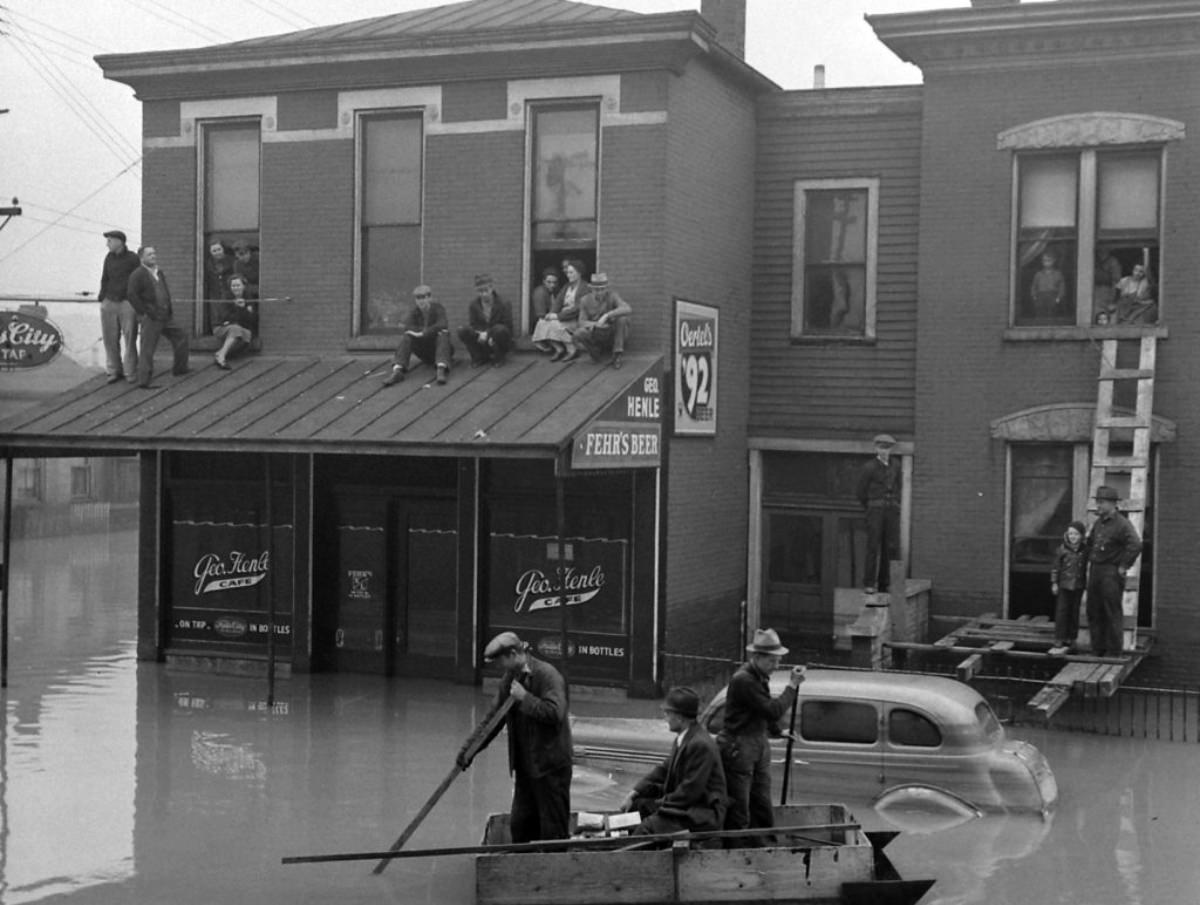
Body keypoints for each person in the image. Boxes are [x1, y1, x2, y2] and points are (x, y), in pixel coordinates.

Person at [460, 631, 572, 844]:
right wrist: (468, 751)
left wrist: (525, 698)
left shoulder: (547, 675)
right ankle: (521, 870)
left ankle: (552, 871)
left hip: (550, 768)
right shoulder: (510, 680)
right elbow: (492, 720)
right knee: (521, 827)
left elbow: (555, 713)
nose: (499, 667)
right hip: (525, 769)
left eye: (500, 661)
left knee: (553, 832)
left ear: (512, 654)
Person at [718, 628, 805, 843]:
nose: (776, 667)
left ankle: (765, 847)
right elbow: (771, 710)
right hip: (739, 747)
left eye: (778, 661)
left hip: (757, 743)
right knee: (740, 806)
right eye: (772, 661)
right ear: (757, 657)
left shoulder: (759, 676)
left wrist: (776, 731)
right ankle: (736, 853)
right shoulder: (744, 680)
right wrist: (792, 686)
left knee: (762, 802)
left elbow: (761, 711)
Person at [618, 686, 726, 844]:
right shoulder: (684, 738)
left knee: (650, 827)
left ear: (680, 718)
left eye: (668, 713)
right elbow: (662, 770)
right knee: (638, 806)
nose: (665, 718)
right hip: (687, 806)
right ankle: (622, 844)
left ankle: (627, 861)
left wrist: (659, 804)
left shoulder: (700, 744)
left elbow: (690, 791)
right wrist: (635, 792)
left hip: (701, 813)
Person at [1084, 487, 1142, 657]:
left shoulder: (1122, 524)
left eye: (1101, 502)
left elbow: (1135, 545)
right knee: (1094, 610)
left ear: (1111, 504)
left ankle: (1114, 652)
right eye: (1098, 502)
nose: (1098, 506)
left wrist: (1123, 566)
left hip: (1110, 572)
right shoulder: (1099, 523)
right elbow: (1091, 543)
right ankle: (1097, 649)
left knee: (1111, 611)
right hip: (1096, 570)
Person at [127, 246, 190, 388]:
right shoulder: (137, 274)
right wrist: (143, 312)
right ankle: (144, 381)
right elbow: (131, 294)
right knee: (147, 348)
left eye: (154, 253)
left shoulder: (159, 272)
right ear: (141, 258)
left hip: (165, 315)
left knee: (181, 336)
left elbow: (164, 291)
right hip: (151, 317)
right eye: (149, 254)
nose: (153, 256)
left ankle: (180, 369)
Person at [856, 433, 902, 594]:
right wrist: (870, 507)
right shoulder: (869, 467)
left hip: (891, 510)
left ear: (891, 450)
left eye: (887, 448)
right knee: (873, 546)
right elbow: (861, 492)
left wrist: (895, 504)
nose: (884, 451)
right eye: (881, 448)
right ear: (876, 448)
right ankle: (869, 583)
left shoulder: (896, 465)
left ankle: (885, 583)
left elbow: (898, 486)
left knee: (890, 547)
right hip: (875, 510)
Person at [383, 284, 452, 386]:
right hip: (423, 349)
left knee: (443, 334)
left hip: (439, 348)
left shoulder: (438, 309)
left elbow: (443, 324)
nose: (421, 301)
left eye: (423, 297)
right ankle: (398, 370)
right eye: (418, 298)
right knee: (407, 337)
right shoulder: (414, 312)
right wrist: (419, 333)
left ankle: (441, 369)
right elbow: (408, 327)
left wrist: (424, 333)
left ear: (429, 298)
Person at [97, 229, 141, 385]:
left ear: (119, 242)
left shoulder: (133, 259)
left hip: (126, 302)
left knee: (130, 338)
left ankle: (130, 370)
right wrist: (102, 297)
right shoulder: (108, 258)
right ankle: (113, 370)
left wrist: (134, 299)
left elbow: (138, 280)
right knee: (110, 338)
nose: (107, 244)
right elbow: (105, 278)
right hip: (110, 301)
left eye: (109, 241)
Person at [572, 272, 632, 369]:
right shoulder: (585, 300)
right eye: (596, 290)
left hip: (611, 332)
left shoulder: (613, 296)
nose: (600, 292)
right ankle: (595, 353)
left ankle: (617, 353)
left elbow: (627, 308)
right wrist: (596, 324)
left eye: (602, 289)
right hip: (596, 332)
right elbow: (581, 322)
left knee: (622, 318)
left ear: (606, 289)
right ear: (591, 289)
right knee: (579, 333)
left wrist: (607, 315)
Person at [532, 258, 584, 361]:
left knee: (554, 324)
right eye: (568, 272)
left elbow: (578, 308)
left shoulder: (584, 287)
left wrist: (557, 316)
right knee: (543, 323)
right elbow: (558, 302)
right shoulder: (566, 286)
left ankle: (572, 349)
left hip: (575, 319)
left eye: (571, 272)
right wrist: (551, 314)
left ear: (579, 273)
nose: (568, 275)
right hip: (563, 318)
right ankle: (559, 348)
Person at [456, 273, 513, 367]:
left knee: (500, 330)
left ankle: (499, 357)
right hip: (481, 336)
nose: (483, 294)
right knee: (462, 330)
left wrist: (489, 334)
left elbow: (508, 325)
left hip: (497, 336)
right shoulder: (474, 305)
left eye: (486, 290)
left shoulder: (504, 303)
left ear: (491, 288)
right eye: (480, 291)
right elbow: (473, 324)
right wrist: (480, 334)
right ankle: (478, 357)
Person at [1050, 520, 1088, 651]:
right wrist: (1054, 583)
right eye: (1071, 534)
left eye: (1076, 534)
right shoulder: (1062, 550)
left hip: (1078, 586)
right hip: (1064, 585)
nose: (1073, 537)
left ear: (1082, 536)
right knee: (1062, 612)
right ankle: (1059, 638)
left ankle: (1071, 638)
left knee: (1074, 612)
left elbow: (1087, 569)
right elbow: (1056, 568)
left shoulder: (1085, 551)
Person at [212, 273, 259, 370]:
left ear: (243, 286)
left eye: (238, 285)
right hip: (220, 327)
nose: (235, 288)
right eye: (233, 286)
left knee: (247, 335)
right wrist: (238, 309)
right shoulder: (226, 298)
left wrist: (243, 309)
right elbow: (225, 317)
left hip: (240, 328)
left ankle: (220, 353)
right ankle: (222, 357)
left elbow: (252, 319)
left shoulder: (248, 298)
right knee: (235, 329)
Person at [529, 267, 560, 351]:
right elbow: (541, 315)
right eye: (549, 282)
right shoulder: (540, 292)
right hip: (538, 324)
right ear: (543, 281)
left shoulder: (554, 292)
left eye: (554, 282)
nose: (552, 285)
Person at [1029, 251, 1065, 319]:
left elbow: (1062, 287)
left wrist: (1059, 298)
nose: (1046, 263)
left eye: (1049, 260)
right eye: (1044, 261)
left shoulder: (1058, 274)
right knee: (1040, 314)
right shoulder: (1038, 274)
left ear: (1054, 261)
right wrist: (1034, 296)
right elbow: (1034, 285)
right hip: (1041, 296)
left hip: (1052, 295)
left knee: (1052, 314)